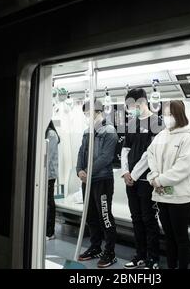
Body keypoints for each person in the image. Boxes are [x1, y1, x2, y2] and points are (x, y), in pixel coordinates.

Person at [146, 100, 190, 269]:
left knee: (180, 238)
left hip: (180, 198)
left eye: (170, 114)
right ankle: (171, 266)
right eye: (165, 114)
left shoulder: (187, 137)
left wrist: (159, 180)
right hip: (161, 195)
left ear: (179, 115)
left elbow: (183, 167)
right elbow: (150, 155)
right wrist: (153, 177)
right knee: (168, 236)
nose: (167, 118)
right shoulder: (162, 135)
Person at [121, 89, 163, 269]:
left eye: (133, 105)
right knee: (136, 218)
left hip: (146, 180)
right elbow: (125, 150)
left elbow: (150, 153)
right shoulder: (131, 123)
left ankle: (152, 258)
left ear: (143, 102)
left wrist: (135, 174)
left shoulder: (156, 122)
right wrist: (125, 172)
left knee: (148, 219)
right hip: (130, 179)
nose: (131, 109)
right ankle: (140, 255)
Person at [76, 99, 119, 268]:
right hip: (88, 181)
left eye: (88, 112)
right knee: (91, 216)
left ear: (98, 111)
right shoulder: (87, 131)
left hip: (102, 180)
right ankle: (95, 247)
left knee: (105, 216)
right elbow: (81, 152)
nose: (87, 116)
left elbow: (106, 157)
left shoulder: (110, 131)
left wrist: (88, 172)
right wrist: (79, 169)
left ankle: (110, 252)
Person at [46, 120, 60, 240]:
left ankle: (50, 232)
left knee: (49, 202)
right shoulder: (45, 133)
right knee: (46, 203)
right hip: (44, 174)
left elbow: (47, 156)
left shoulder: (51, 134)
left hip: (49, 174)